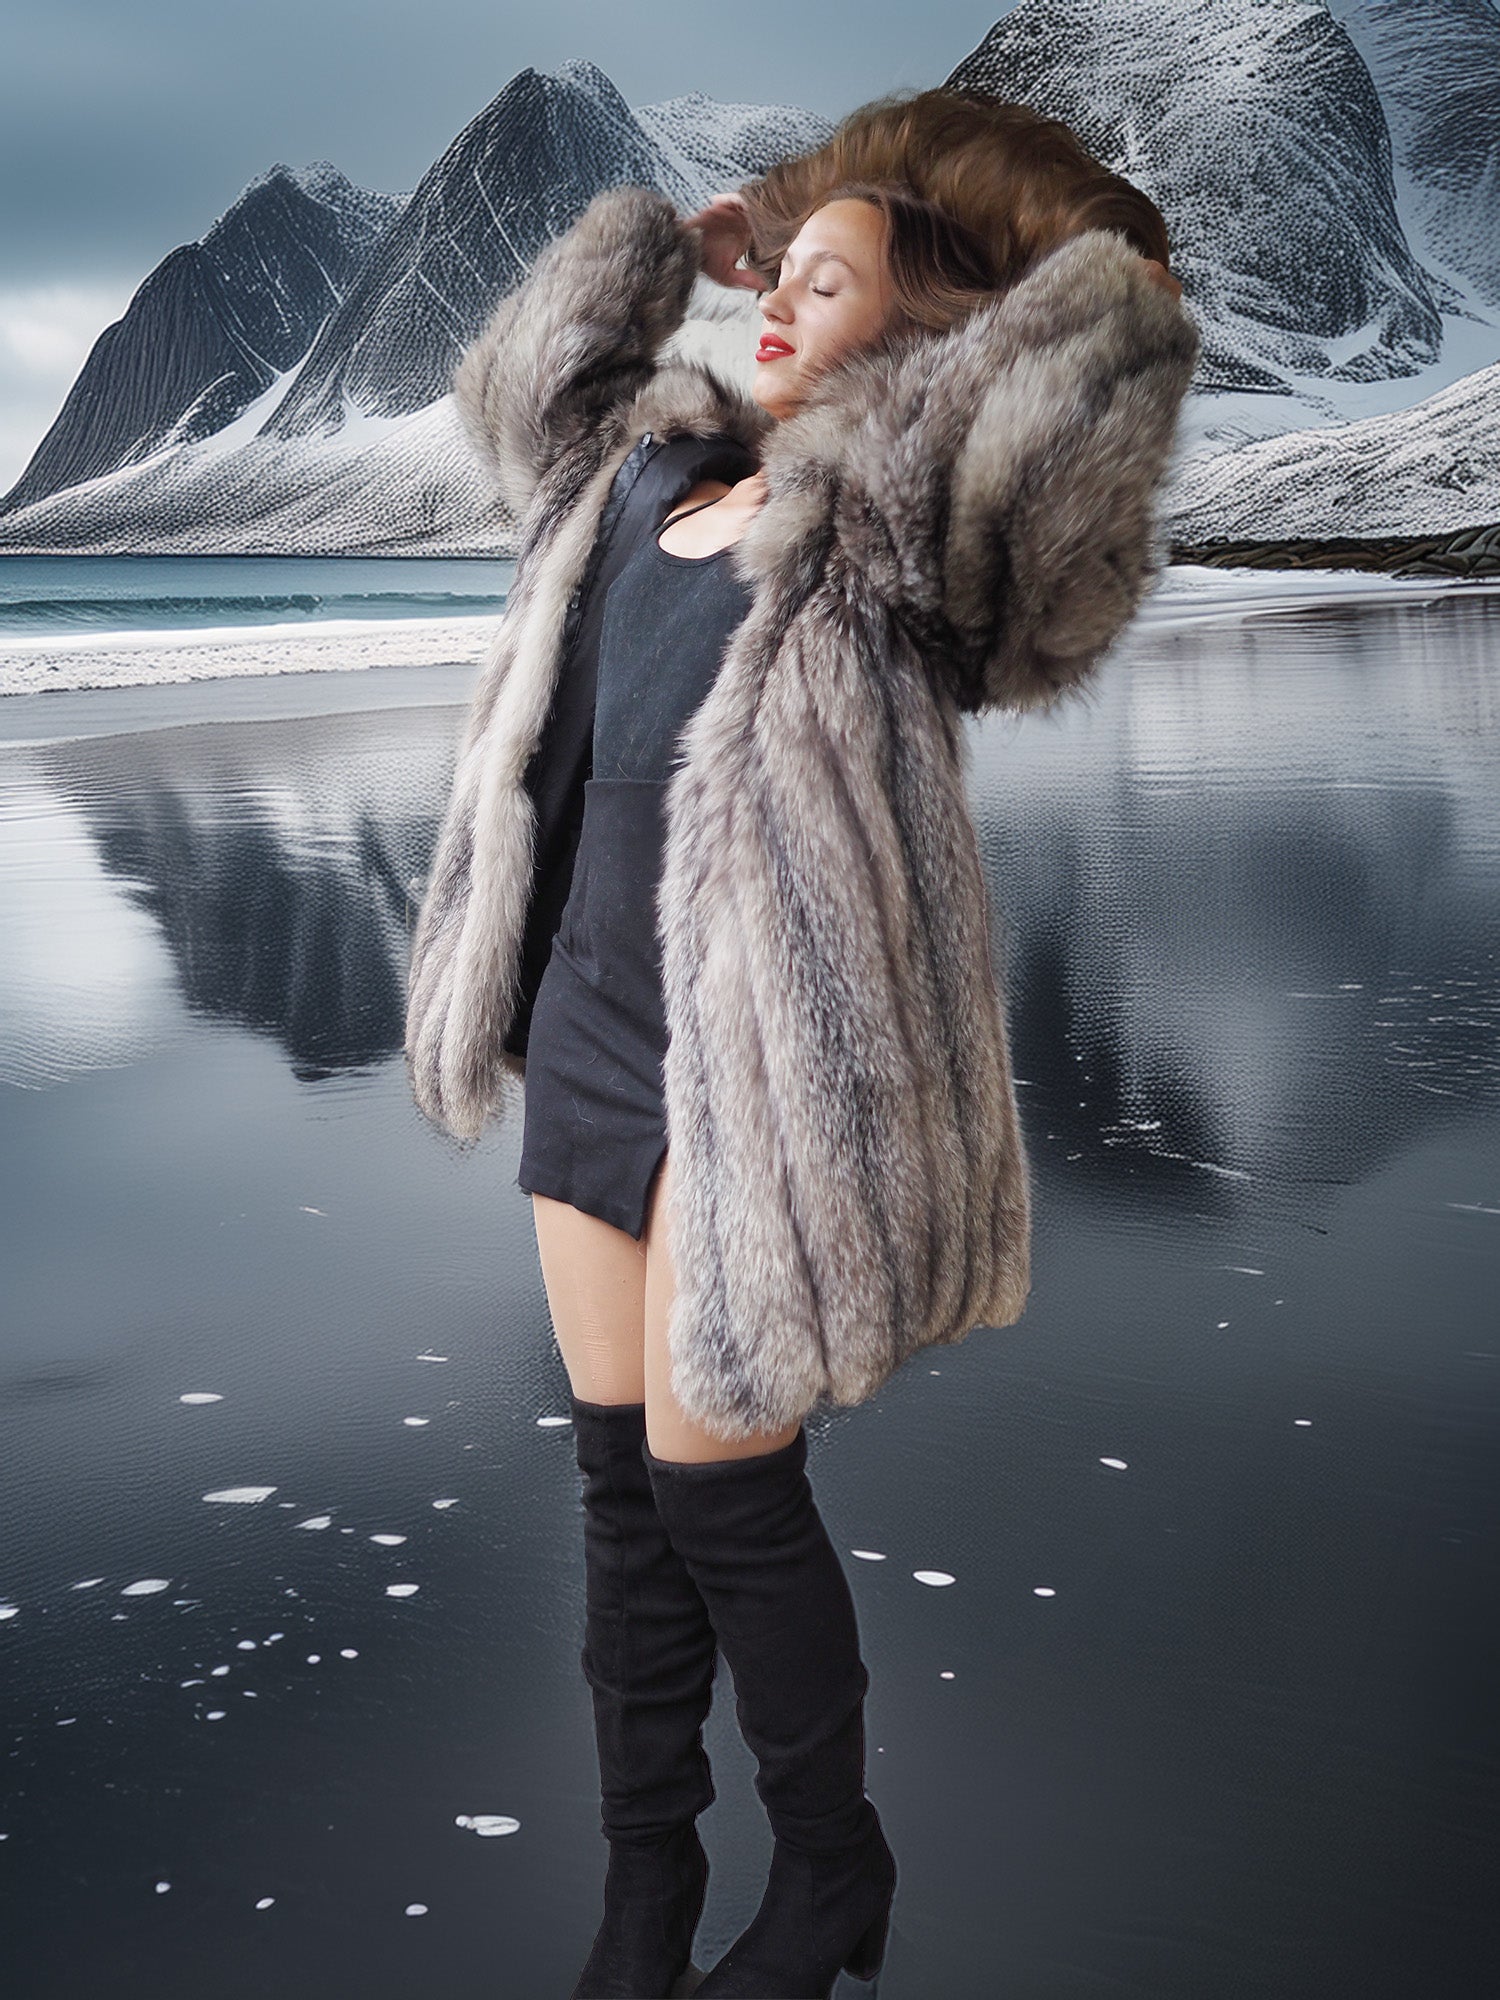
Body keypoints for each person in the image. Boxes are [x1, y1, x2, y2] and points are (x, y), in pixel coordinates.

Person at [405, 88, 1199, 2000]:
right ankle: (647, 1893)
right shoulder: (641, 477)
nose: (773, 302)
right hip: (587, 1025)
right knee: (622, 1499)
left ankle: (834, 1872)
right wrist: (664, 250)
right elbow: (520, 393)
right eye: (780, 277)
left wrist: (1060, 259)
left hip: (761, 1068)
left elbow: (1073, 407)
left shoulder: (897, 533)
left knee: (719, 1491)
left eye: (824, 287)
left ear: (920, 345)